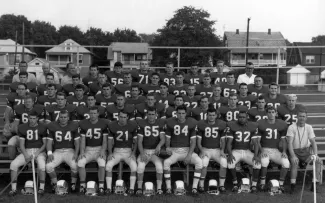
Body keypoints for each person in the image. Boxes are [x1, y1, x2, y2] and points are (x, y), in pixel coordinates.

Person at [164, 105, 202, 195]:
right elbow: (167, 138)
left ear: (186, 114)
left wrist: (189, 155)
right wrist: (167, 147)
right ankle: (168, 188)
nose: (181, 115)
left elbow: (193, 142)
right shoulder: (170, 123)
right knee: (166, 163)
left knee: (199, 162)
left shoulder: (191, 124)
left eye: (183, 113)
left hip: (186, 150)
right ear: (176, 114)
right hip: (175, 150)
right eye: (179, 113)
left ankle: (194, 188)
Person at [8, 111, 47, 196]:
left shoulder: (42, 127)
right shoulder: (23, 127)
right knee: (13, 165)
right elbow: (21, 145)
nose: (32, 120)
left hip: (39, 151)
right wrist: (26, 155)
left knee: (42, 166)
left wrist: (38, 152)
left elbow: (44, 144)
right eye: (30, 118)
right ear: (28, 118)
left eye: (34, 118)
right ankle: (13, 189)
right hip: (27, 150)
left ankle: (41, 188)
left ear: (37, 119)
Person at [286, 110, 322, 193]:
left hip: (305, 152)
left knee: (318, 161)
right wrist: (293, 156)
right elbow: (289, 143)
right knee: (294, 162)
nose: (302, 118)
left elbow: (313, 142)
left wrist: (315, 155)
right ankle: (293, 186)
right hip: (295, 151)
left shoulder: (309, 127)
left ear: (306, 117)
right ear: (297, 117)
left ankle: (314, 184)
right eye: (300, 116)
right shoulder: (292, 127)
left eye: (303, 116)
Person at [46, 110, 80, 193]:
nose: (63, 119)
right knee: (48, 166)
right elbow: (49, 142)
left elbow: (77, 142)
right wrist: (49, 153)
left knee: (75, 166)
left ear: (68, 118)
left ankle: (73, 184)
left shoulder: (74, 125)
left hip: (70, 151)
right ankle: (55, 185)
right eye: (61, 117)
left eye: (65, 117)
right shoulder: (53, 126)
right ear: (58, 117)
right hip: (57, 151)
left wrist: (76, 153)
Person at [226, 111, 261, 193]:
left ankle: (254, 186)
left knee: (257, 164)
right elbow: (229, 143)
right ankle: (235, 184)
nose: (242, 119)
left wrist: (256, 155)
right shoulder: (232, 126)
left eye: (243, 117)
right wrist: (230, 154)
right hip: (236, 151)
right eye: (240, 117)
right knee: (230, 163)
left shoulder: (252, 126)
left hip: (247, 151)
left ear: (247, 117)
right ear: (238, 118)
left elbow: (256, 143)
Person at [105, 110, 138, 195]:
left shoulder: (132, 125)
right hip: (116, 151)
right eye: (121, 117)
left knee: (134, 167)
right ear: (118, 117)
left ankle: (131, 188)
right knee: (108, 166)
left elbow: (136, 141)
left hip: (128, 151)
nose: (122, 119)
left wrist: (133, 153)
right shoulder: (112, 125)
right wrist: (110, 153)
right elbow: (109, 141)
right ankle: (108, 188)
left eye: (124, 117)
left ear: (127, 118)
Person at [257, 106, 289, 192]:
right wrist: (261, 150)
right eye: (269, 112)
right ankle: (262, 183)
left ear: (276, 113)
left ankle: (281, 184)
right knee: (264, 162)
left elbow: (284, 140)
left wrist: (284, 151)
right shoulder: (261, 123)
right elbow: (257, 140)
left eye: (273, 112)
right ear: (266, 114)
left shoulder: (281, 124)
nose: (271, 114)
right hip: (264, 149)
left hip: (275, 150)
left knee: (286, 163)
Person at [78, 107, 109, 195]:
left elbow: (105, 140)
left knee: (102, 163)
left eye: (94, 113)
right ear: (89, 113)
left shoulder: (103, 124)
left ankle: (101, 186)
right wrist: (82, 152)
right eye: (91, 113)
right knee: (80, 162)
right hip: (88, 149)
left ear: (98, 114)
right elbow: (83, 140)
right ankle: (82, 185)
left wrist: (103, 150)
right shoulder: (84, 124)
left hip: (99, 148)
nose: (93, 115)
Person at [197, 108, 228, 193]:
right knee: (203, 163)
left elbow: (222, 140)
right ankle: (201, 185)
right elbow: (198, 141)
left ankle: (221, 185)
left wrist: (222, 151)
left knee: (224, 162)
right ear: (207, 115)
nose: (211, 117)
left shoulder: (221, 125)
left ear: (216, 116)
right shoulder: (202, 125)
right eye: (210, 115)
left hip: (217, 150)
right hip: (205, 149)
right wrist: (201, 150)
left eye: (213, 115)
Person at [136, 107, 165, 195]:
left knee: (159, 167)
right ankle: (139, 188)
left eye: (153, 114)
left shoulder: (159, 125)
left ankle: (159, 188)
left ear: (156, 115)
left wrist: (159, 146)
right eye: (149, 114)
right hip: (145, 151)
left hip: (155, 152)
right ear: (146, 115)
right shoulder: (142, 125)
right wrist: (142, 153)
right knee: (140, 167)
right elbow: (139, 141)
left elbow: (163, 139)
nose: (151, 116)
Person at [7, 95, 44, 160]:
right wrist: (20, 134)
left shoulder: (38, 110)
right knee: (10, 143)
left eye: (29, 102)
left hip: (35, 134)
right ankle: (12, 161)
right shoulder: (19, 109)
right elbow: (16, 124)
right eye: (26, 102)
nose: (27, 103)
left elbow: (41, 125)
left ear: (33, 103)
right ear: (23, 102)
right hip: (22, 133)